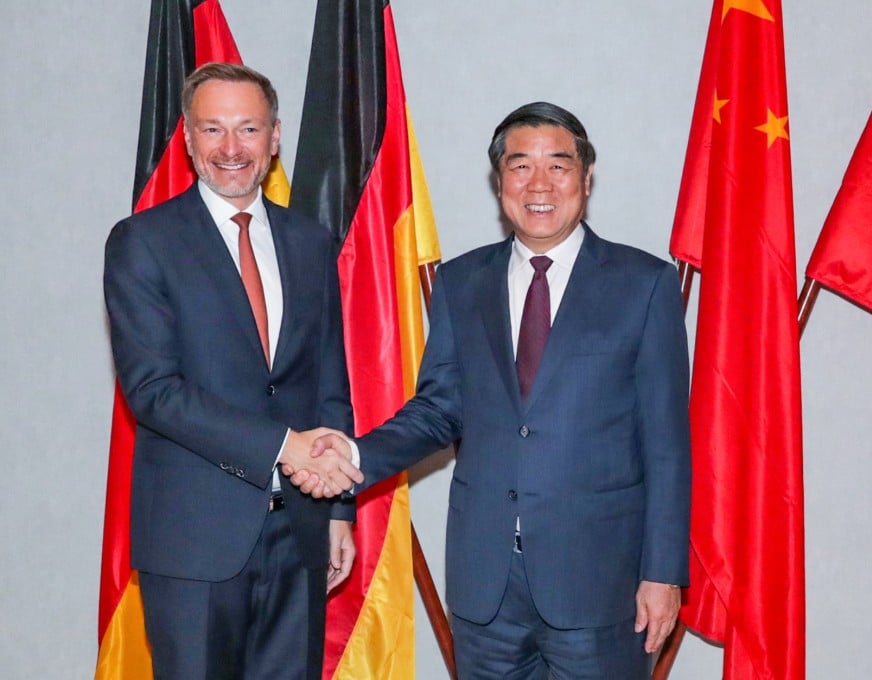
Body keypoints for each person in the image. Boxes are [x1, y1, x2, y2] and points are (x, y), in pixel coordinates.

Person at [292, 102, 691, 679]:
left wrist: (664, 572)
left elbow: (667, 444)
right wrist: (353, 456)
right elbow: (438, 410)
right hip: (486, 588)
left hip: (602, 584)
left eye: (559, 165)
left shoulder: (644, 284)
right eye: (519, 165)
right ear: (499, 180)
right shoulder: (461, 281)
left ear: (586, 177)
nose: (539, 184)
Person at [103, 62, 364, 680]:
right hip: (195, 542)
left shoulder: (309, 241)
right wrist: (285, 448)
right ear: (189, 140)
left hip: (299, 535)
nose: (231, 148)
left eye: (248, 129)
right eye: (212, 129)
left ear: (275, 138)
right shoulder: (144, 241)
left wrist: (339, 508)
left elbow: (329, 381)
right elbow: (154, 392)